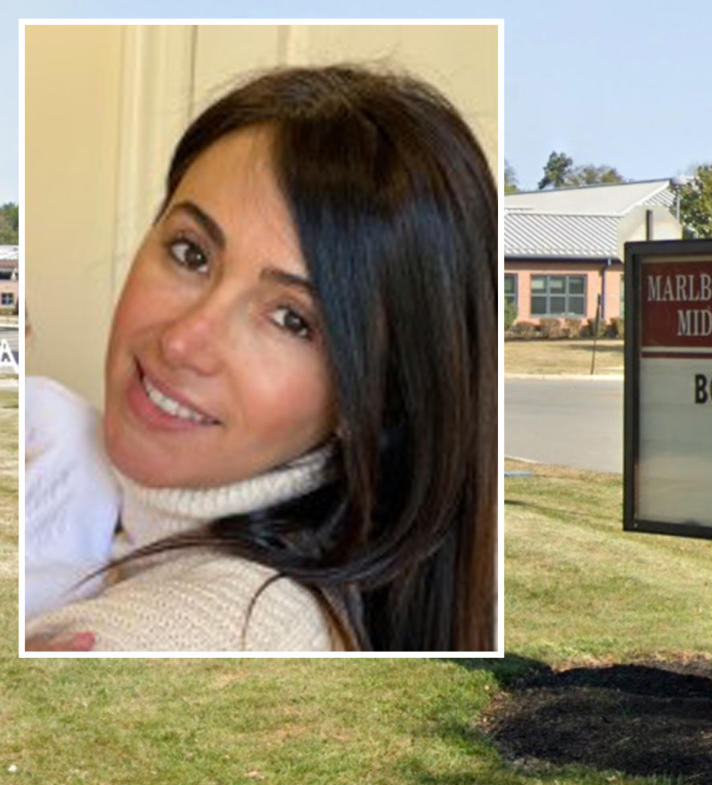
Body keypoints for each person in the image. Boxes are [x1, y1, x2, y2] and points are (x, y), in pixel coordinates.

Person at [25, 64, 497, 652]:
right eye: (190, 252)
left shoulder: (214, 629)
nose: (183, 341)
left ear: (372, 396)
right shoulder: (68, 462)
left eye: (291, 319)